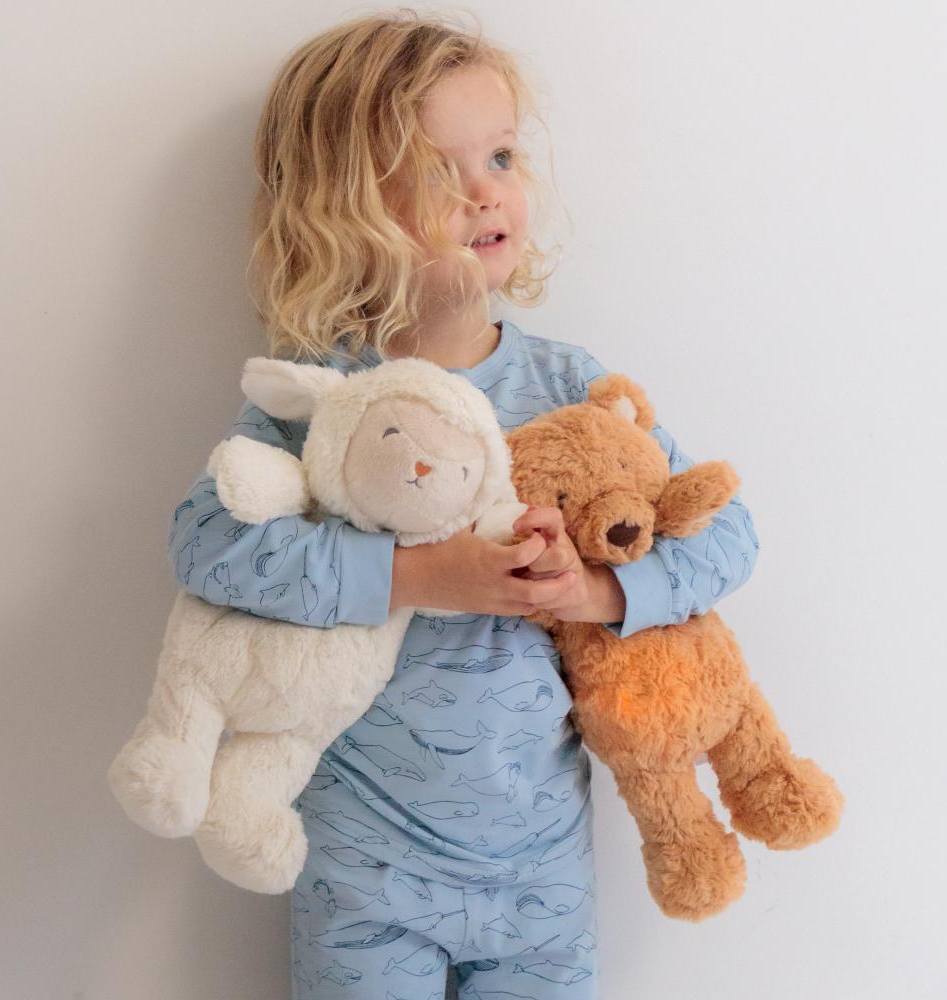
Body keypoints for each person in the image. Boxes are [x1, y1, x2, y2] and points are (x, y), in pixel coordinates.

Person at [167, 10, 760, 998]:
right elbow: (209, 545)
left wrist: (595, 593)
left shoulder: (569, 387)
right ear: (343, 208)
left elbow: (727, 534)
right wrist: (418, 577)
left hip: (539, 862)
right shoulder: (318, 395)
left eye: (500, 156)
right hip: (362, 859)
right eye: (440, 172)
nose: (487, 192)